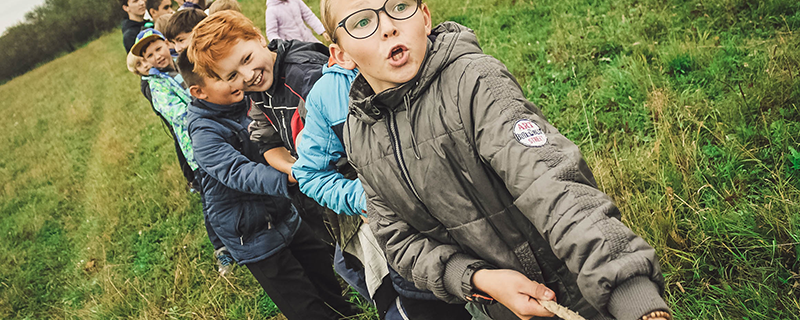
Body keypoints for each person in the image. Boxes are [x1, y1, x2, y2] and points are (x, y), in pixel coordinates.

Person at [322, 0, 673, 320]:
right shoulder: (358, 134)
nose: (388, 27)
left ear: (425, 17)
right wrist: (476, 279)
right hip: (495, 307)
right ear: (341, 55)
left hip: (583, 294)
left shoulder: (474, 81)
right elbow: (398, 240)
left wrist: (631, 294)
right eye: (362, 22)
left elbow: (551, 183)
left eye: (399, 6)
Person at [178, 51, 359, 320]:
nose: (237, 81)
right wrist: (290, 176)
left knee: (320, 268)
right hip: (250, 232)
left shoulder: (249, 100)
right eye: (224, 77)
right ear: (199, 92)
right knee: (298, 297)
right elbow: (237, 172)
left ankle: (345, 312)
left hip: (284, 212)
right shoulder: (203, 131)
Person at [189, 10, 335, 252]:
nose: (248, 76)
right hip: (322, 188)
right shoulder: (257, 91)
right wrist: (296, 170)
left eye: (246, 59)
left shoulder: (306, 75)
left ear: (259, 37)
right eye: (232, 75)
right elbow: (268, 142)